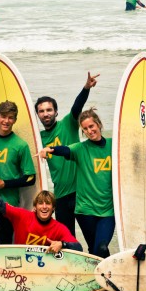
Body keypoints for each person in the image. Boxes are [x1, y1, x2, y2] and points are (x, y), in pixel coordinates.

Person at [39, 108, 114, 258]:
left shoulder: (114, 145)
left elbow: (136, 148)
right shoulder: (80, 149)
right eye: (85, 129)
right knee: (94, 249)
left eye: (91, 126)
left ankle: (105, 274)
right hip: (85, 210)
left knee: (102, 247)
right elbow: (65, 150)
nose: (89, 131)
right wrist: (50, 149)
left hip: (107, 210)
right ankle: (98, 278)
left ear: (98, 124)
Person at [35, 72, 99, 236]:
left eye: (49, 109)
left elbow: (76, 107)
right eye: (41, 111)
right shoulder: (38, 139)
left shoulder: (68, 124)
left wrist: (86, 88)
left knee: (91, 236)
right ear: (37, 115)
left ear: (56, 112)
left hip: (81, 192)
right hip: (61, 196)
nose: (46, 113)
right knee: (67, 240)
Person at [0, 101, 36, 245]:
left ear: (15, 120)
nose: (6, 121)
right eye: (3, 116)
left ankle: (3, 268)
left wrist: (4, 184)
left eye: (11, 117)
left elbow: (30, 178)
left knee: (5, 241)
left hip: (8, 201)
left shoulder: (20, 145)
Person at [0, 186, 82, 252]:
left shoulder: (59, 228)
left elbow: (79, 248)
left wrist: (62, 244)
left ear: (53, 208)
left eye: (48, 203)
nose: (44, 207)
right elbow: (1, 206)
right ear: (35, 206)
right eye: (40, 203)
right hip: (19, 264)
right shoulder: (22, 216)